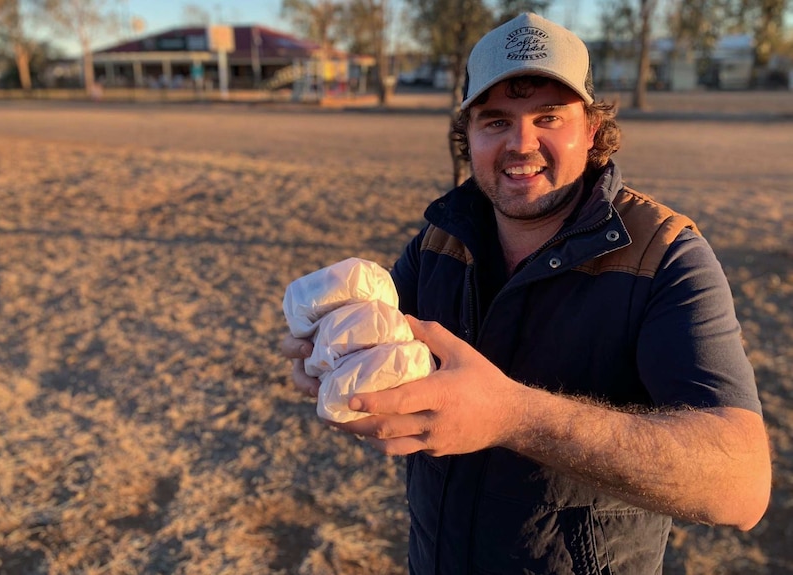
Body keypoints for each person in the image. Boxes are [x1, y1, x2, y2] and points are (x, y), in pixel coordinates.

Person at [281, 12, 771, 574]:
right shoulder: (440, 242)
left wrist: (513, 415)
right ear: (468, 135)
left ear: (590, 130)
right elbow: (380, 359)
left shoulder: (664, 257)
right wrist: (332, 361)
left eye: (548, 117)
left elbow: (742, 484)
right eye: (495, 121)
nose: (521, 144)